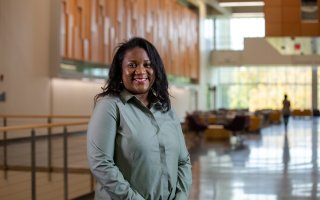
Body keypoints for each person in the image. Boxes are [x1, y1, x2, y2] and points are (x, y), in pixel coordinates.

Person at [87, 37, 192, 200]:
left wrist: (181, 196)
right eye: (132, 65)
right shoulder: (110, 107)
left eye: (147, 64)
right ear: (120, 71)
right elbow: (101, 164)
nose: (141, 71)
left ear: (155, 70)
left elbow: (183, 161)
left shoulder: (166, 110)